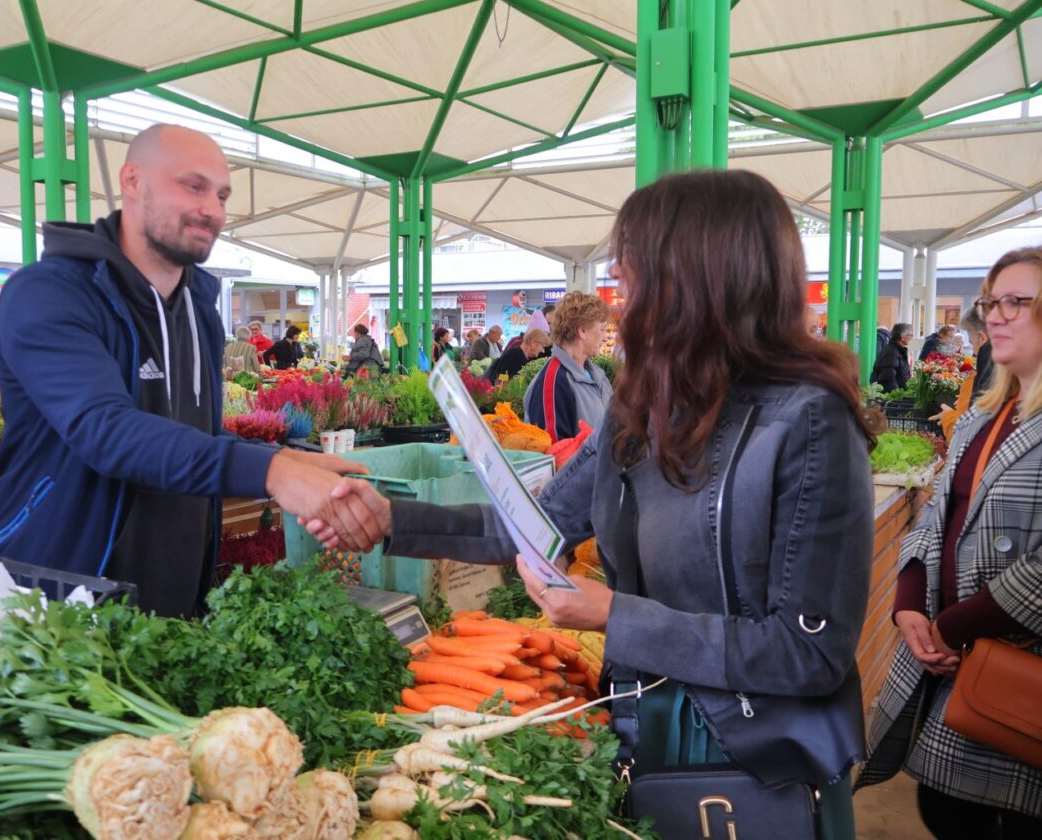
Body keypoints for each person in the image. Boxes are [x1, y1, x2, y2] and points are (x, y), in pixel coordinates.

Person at [312, 169, 874, 839]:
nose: (617, 288)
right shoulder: (642, 407)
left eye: (631, 272)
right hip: (644, 727)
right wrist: (390, 520)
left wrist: (614, 614)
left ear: (697, 277)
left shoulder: (809, 423)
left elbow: (809, 653)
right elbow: (530, 526)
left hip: (753, 760)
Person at [0, 124, 382, 617]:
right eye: (193, 186)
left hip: (173, 605)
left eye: (221, 195)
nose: (212, 209)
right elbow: (104, 430)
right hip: (56, 602)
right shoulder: (49, 293)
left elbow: (195, 436)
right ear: (132, 180)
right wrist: (274, 473)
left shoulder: (199, 310)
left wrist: (289, 460)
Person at [858, 246, 1042, 837]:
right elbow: (938, 515)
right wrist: (909, 602)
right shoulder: (985, 417)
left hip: (1013, 670)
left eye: (1018, 302)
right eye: (992, 302)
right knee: (946, 808)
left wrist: (953, 626)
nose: (996, 316)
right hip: (954, 666)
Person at [523, 291, 611, 442]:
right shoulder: (554, 383)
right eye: (602, 329)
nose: (605, 338)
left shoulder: (597, 375)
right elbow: (555, 451)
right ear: (582, 331)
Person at [930, 306, 993, 439]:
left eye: (971, 342)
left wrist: (948, 416)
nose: (974, 351)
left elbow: (962, 436)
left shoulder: (979, 379)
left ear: (982, 338)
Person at [485, 328, 550, 384]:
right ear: (533, 343)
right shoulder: (515, 354)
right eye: (542, 346)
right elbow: (502, 377)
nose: (543, 351)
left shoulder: (522, 356)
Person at [871, 322, 913, 392]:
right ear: (902, 337)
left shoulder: (897, 350)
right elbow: (888, 378)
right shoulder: (892, 352)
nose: (911, 338)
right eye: (910, 335)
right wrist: (897, 395)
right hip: (892, 395)